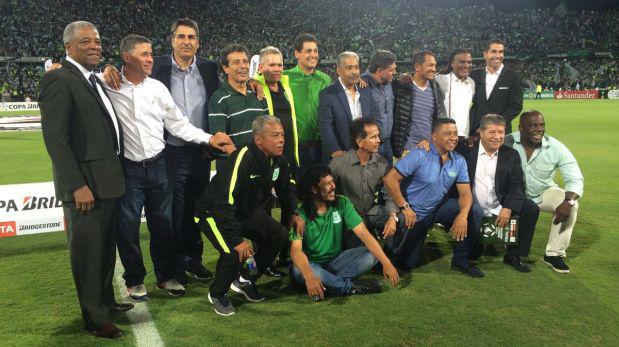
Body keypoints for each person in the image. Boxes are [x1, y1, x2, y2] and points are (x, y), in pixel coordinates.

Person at [102, 34, 233, 301]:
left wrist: (208, 138)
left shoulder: (158, 89)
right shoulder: (108, 85)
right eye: (144, 54)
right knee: (127, 229)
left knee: (164, 226)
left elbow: (178, 125)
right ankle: (135, 279)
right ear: (126, 57)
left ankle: (165, 276)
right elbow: (84, 79)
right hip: (128, 169)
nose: (150, 59)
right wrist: (62, 68)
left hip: (160, 165)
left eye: (151, 54)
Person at [38, 21, 132, 339]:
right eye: (85, 41)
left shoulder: (91, 78)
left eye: (97, 40)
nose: (95, 45)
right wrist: (76, 184)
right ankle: (94, 318)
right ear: (68, 47)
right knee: (88, 254)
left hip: (105, 181)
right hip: (84, 186)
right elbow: (56, 140)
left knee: (105, 250)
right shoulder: (59, 80)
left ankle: (104, 301)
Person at [194, 115, 304, 316]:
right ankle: (217, 293)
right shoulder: (243, 157)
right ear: (258, 139)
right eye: (275, 136)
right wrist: (236, 240)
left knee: (278, 235)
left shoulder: (280, 161)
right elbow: (224, 201)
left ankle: (245, 280)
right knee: (232, 252)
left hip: (244, 212)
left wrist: (294, 214)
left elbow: (286, 191)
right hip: (212, 212)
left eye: (282, 135)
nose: (280, 140)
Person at [383, 118, 484, 277]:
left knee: (475, 211)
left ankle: (461, 261)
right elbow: (390, 179)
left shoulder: (458, 160)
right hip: (414, 212)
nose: (453, 138)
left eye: (456, 134)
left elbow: (465, 193)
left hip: (438, 207)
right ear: (434, 137)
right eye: (448, 134)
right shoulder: (419, 155)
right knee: (408, 264)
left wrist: (463, 215)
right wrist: (404, 207)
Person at [290, 165, 399, 299]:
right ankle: (348, 288)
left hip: (336, 261)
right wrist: (309, 275)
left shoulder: (342, 203)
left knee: (372, 254)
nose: (333, 186)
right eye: (327, 184)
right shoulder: (300, 215)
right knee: (298, 270)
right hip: (311, 265)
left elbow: (364, 235)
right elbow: (295, 251)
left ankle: (328, 284)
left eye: (332, 181)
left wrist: (386, 263)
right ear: (314, 190)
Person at [505, 110, 584, 273]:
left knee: (571, 205)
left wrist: (568, 202)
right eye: (532, 125)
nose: (538, 129)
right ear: (521, 128)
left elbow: (575, 178)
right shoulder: (507, 141)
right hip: (513, 195)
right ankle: (504, 247)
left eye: (541, 125)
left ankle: (554, 254)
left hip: (542, 194)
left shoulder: (555, 147)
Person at [459, 114, 540, 273]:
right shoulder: (466, 150)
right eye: (492, 132)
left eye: (501, 132)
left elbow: (517, 185)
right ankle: (471, 252)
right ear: (481, 133)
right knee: (474, 252)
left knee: (530, 208)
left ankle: (514, 255)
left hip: (499, 205)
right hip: (472, 207)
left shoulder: (511, 155)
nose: (497, 137)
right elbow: (443, 143)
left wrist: (509, 207)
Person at [253, 46, 300, 276]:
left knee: (290, 205)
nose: (277, 69)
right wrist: (255, 81)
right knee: (263, 210)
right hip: (267, 159)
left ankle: (285, 253)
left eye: (280, 64)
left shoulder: (287, 85)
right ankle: (265, 258)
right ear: (261, 68)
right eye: (271, 65)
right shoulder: (256, 88)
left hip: (288, 157)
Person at [329, 118, 402, 249]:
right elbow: (324, 193)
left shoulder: (382, 163)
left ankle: (391, 256)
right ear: (360, 142)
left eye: (378, 136)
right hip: (347, 218)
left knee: (401, 220)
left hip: (371, 212)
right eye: (373, 137)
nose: (379, 140)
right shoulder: (338, 163)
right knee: (358, 252)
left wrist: (392, 216)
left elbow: (389, 193)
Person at [208, 44, 268, 170]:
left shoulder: (258, 94)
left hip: (261, 164)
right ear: (226, 68)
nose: (243, 66)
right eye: (236, 62)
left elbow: (266, 130)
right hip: (233, 168)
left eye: (245, 61)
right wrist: (244, 163)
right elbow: (221, 138)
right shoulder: (218, 98)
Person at [283, 34, 332, 174]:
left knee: (319, 187)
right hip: (295, 145)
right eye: (308, 51)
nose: (313, 55)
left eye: (315, 51)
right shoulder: (284, 77)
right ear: (297, 54)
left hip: (320, 145)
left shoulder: (325, 79)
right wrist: (254, 81)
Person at [319, 51, 372, 163]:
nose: (354, 72)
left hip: (365, 152)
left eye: (356, 68)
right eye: (349, 68)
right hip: (342, 154)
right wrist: (335, 150)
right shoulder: (328, 94)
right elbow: (325, 126)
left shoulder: (365, 90)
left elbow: (371, 120)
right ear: (338, 70)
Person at [391, 51, 442, 158]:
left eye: (435, 65)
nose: (434, 69)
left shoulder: (435, 88)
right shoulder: (401, 87)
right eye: (430, 65)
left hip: (429, 149)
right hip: (406, 150)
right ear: (417, 67)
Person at [469, 39, 523, 136]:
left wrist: (495, 124)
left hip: (500, 133)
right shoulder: (474, 75)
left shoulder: (513, 77)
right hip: (476, 132)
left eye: (501, 52)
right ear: (485, 54)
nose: (498, 55)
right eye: (493, 51)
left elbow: (516, 106)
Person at [360, 50, 397, 164]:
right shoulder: (362, 84)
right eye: (391, 70)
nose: (395, 72)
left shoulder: (389, 83)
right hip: (370, 145)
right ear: (380, 71)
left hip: (387, 143)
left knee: (388, 179)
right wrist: (356, 79)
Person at [435, 49, 475, 151]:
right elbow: (420, 80)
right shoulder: (440, 79)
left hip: (463, 140)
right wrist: (405, 77)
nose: (466, 65)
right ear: (452, 63)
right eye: (461, 62)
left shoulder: (472, 83)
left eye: (469, 62)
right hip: (444, 138)